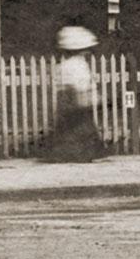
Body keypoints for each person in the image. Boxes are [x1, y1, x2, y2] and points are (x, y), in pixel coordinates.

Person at [39, 25, 108, 163]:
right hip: (75, 97)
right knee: (80, 126)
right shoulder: (77, 65)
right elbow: (81, 84)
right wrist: (90, 95)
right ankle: (82, 154)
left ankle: (67, 153)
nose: (87, 52)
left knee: (69, 127)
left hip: (67, 98)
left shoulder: (64, 65)